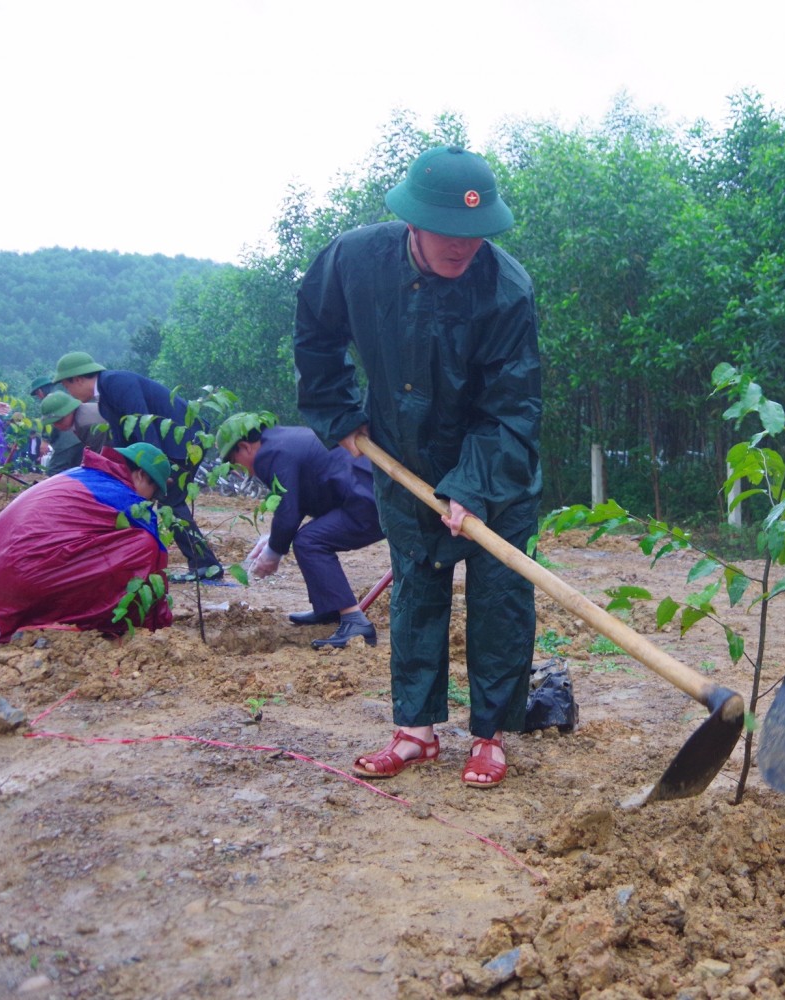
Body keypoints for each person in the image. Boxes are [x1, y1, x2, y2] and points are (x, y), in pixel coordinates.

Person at [294, 145, 541, 789]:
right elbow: (316, 333)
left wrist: (472, 486)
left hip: (496, 463)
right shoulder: (353, 259)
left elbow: (512, 408)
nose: (466, 247)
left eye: (478, 234)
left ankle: (488, 735)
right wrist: (337, 409)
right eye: (451, 235)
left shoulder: (507, 290)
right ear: (412, 222)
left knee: (500, 595)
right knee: (416, 582)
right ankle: (416, 731)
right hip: (400, 451)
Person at [0, 442, 175, 642]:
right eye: (155, 492)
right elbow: (157, 562)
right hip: (25, 576)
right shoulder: (126, 497)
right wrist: (159, 623)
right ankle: (70, 619)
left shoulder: (82, 474)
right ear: (140, 475)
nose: (152, 501)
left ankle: (32, 614)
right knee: (145, 545)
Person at [52, 351, 223, 583]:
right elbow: (123, 440)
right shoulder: (104, 399)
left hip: (182, 442)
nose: (68, 393)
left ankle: (206, 566)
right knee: (162, 501)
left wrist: (154, 467)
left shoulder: (115, 382)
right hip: (170, 444)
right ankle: (202, 564)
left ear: (78, 379)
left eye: (66, 386)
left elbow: (144, 423)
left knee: (169, 500)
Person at [217, 416, 387, 649]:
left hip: (366, 499)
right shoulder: (282, 440)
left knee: (309, 541)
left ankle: (353, 620)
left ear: (245, 447)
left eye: (233, 460)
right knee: (309, 537)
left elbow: (288, 511)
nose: (238, 470)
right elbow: (296, 502)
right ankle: (329, 609)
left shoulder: (268, 455)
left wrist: (273, 553)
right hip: (367, 492)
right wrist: (273, 540)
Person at [37, 391, 109, 476]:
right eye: (53, 423)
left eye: (59, 421)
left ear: (70, 411)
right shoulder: (81, 414)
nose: (57, 426)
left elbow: (101, 456)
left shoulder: (85, 425)